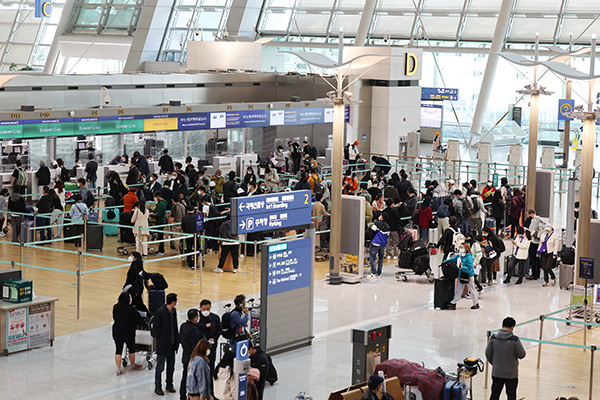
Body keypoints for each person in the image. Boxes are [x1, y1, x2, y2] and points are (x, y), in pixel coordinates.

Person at [485, 316, 526, 400]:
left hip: (497, 372)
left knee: (495, 394)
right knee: (511, 395)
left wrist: (495, 363)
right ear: (512, 327)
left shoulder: (493, 338)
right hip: (511, 374)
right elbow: (522, 354)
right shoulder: (515, 340)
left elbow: (488, 353)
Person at [151, 293, 179, 396]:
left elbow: (175, 327)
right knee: (160, 367)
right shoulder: (160, 313)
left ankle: (169, 384)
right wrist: (161, 339)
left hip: (172, 345)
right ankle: (157, 386)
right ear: (173, 302)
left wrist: (177, 340)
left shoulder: (174, 311)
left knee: (171, 367)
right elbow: (155, 330)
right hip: (163, 346)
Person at [112, 292, 144, 376]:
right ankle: (133, 365)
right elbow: (138, 320)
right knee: (131, 349)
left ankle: (118, 369)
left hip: (117, 331)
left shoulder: (116, 307)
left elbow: (115, 317)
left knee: (118, 350)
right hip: (128, 331)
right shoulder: (131, 309)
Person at [446, 242, 480, 310]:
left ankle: (476, 303)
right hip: (461, 275)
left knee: (472, 290)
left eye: (462, 248)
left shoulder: (469, 257)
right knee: (459, 290)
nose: (460, 249)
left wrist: (462, 267)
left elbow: (470, 269)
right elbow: (453, 259)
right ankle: (453, 303)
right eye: (460, 247)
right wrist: (445, 261)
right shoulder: (459, 256)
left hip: (469, 276)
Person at [179, 309, 201, 400]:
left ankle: (182, 395)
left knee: (184, 376)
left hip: (185, 354)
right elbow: (195, 345)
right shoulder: (193, 329)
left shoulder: (183, 326)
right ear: (195, 318)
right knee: (192, 378)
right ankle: (191, 396)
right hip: (192, 357)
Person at [197, 299, 222, 371]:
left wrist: (214, 338)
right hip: (200, 346)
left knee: (211, 365)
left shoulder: (215, 318)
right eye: (204, 309)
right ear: (200, 308)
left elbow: (219, 329)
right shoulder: (197, 317)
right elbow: (194, 325)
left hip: (212, 346)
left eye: (208, 309)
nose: (206, 311)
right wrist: (204, 325)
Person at [526, 209, 542, 280]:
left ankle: (534, 274)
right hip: (539, 242)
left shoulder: (534, 220)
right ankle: (537, 273)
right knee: (537, 258)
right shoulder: (540, 219)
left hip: (534, 242)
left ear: (531, 213)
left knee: (533, 259)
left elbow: (531, 231)